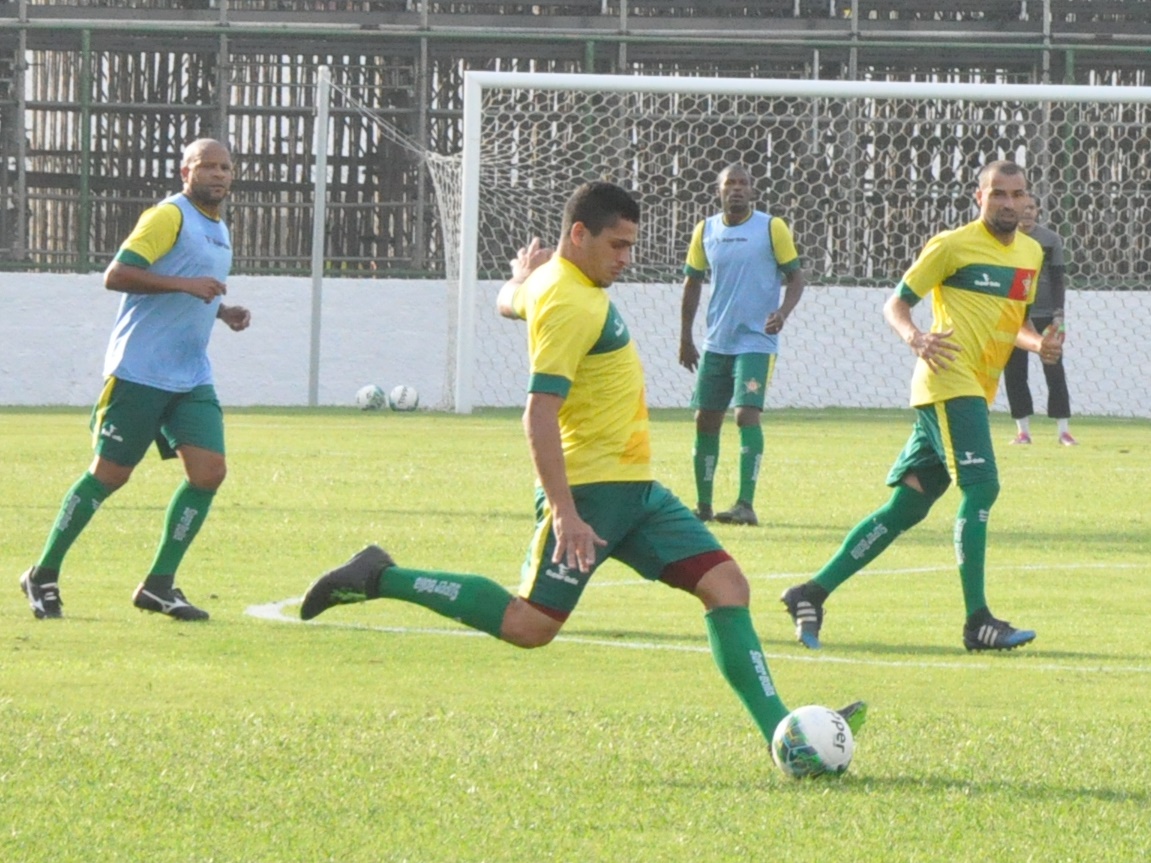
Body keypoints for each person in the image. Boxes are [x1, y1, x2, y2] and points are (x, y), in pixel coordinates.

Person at [300, 181, 865, 749]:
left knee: (726, 585)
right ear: (578, 235)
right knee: (529, 626)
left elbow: (507, 300)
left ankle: (782, 733)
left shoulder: (554, 281)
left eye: (631, 246)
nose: (626, 259)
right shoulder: (569, 301)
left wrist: (522, 276)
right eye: (617, 246)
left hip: (637, 493)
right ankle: (380, 576)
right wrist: (566, 512)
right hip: (590, 495)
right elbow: (538, 413)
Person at [780, 160, 1064, 652]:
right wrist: (915, 336)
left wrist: (1037, 345)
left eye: (1017, 194)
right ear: (979, 198)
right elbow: (896, 302)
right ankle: (978, 622)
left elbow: (1013, 322)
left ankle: (811, 592)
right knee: (982, 487)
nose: (1009, 203)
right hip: (948, 382)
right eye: (998, 194)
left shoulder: (1031, 253)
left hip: (975, 387)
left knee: (905, 507)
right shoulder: (950, 245)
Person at [18, 138, 251, 622]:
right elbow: (118, 274)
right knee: (109, 476)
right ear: (184, 171)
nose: (219, 174)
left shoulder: (219, 228)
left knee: (209, 473)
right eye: (207, 165)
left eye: (225, 167)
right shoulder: (168, 216)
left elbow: (184, 293)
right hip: (141, 371)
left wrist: (222, 312)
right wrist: (187, 286)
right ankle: (42, 572)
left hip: (190, 375)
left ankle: (158, 585)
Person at [679, 163, 806, 527]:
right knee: (705, 418)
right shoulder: (705, 230)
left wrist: (783, 311)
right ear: (718, 191)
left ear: (753, 192)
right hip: (718, 341)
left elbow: (796, 276)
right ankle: (703, 506)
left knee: (745, 414)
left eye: (743, 183)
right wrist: (685, 337)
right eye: (729, 183)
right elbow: (692, 284)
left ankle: (745, 504)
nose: (736, 189)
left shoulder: (771, 227)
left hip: (756, 341)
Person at [1003, 195, 1076, 445]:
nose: (1027, 213)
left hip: (1046, 314)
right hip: (1015, 314)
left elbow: (1058, 279)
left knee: (1054, 370)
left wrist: (1059, 315)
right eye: (1023, 208)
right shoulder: (1007, 239)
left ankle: (1063, 431)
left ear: (1038, 211)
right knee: (1015, 373)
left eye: (1031, 208)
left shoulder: (1050, 240)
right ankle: (1023, 432)